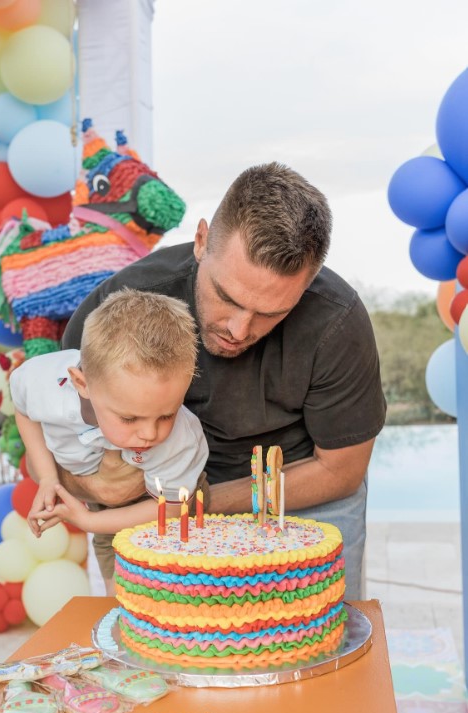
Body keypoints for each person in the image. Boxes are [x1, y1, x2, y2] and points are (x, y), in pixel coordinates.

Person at [37, 161, 387, 601]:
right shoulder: (112, 309)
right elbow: (58, 443)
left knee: (321, 646)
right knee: (165, 653)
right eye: (227, 297)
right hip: (154, 495)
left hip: (299, 492)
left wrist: (198, 501)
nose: (240, 329)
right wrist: (99, 489)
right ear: (202, 240)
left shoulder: (337, 321)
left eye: (271, 313)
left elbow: (341, 472)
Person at [11, 289, 208, 594]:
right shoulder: (41, 383)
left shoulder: (182, 438)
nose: (150, 434)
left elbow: (171, 509)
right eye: (130, 419)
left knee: (175, 594)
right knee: (122, 601)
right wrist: (48, 477)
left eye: (166, 415)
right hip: (103, 508)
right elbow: (22, 409)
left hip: (161, 501)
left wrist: (88, 522)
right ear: (82, 383)